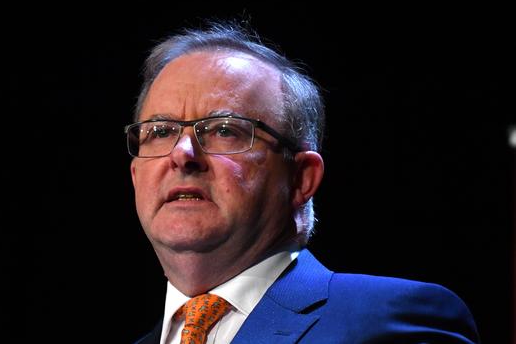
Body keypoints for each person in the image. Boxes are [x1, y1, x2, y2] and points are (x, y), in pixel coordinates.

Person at [126, 21, 479, 344]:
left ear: (301, 178)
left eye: (224, 131)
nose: (183, 154)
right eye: (160, 132)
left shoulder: (390, 322)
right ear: (136, 176)